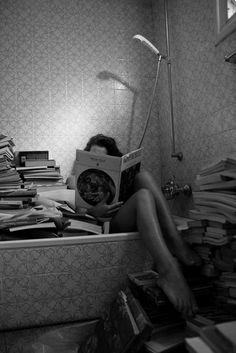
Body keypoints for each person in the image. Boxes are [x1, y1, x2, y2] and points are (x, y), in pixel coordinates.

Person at [71, 134, 202, 317]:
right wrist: (94, 212)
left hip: (122, 217)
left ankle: (176, 243)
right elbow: (73, 216)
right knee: (143, 197)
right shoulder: (75, 179)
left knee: (144, 177)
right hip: (104, 227)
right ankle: (168, 270)